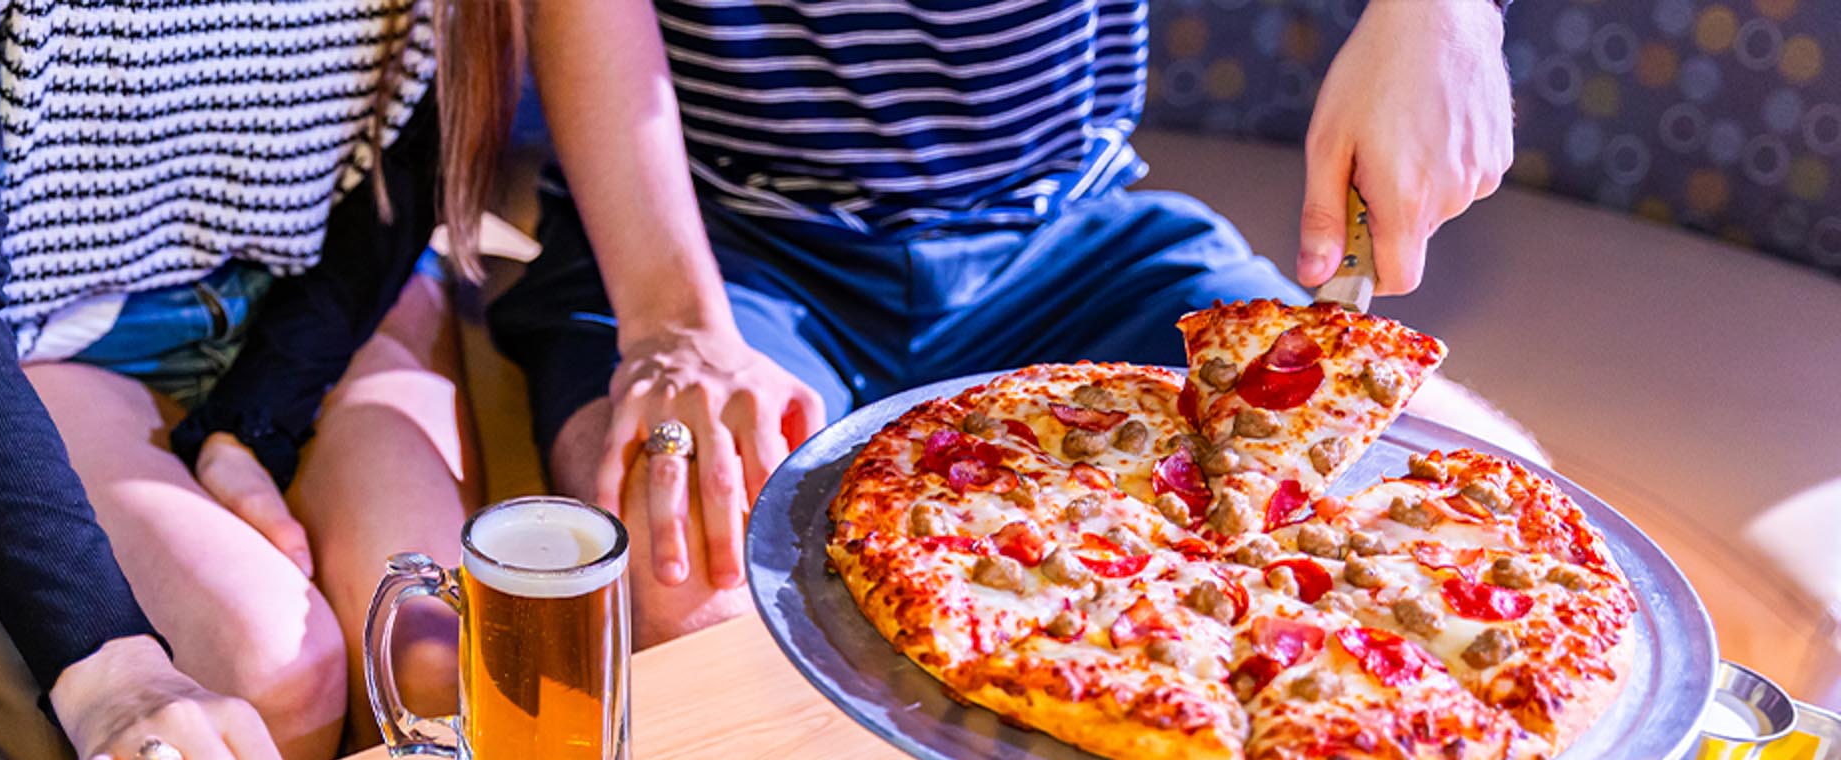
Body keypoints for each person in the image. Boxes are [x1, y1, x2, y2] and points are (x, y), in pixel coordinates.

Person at [490, 0, 1524, 648]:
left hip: (1068, 228)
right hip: (718, 243)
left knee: (1489, 495)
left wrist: (1444, 15)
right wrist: (674, 323)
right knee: (696, 594)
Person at [0, 0, 524, 760]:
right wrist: (112, 673)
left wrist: (254, 419)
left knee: (440, 663)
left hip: (322, 292)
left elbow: (440, 120)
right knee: (276, 667)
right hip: (24, 329)